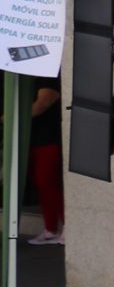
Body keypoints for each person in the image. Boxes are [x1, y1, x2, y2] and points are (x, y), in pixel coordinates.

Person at [25, 82, 60, 244]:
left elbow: (44, 102)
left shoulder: (47, 75)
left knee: (48, 183)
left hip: (49, 139)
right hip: (36, 139)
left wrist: (13, 117)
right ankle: (50, 229)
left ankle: (65, 227)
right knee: (43, 185)